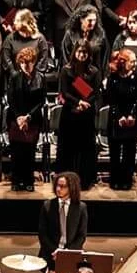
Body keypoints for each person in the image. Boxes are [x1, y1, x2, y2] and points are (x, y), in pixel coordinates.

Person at [56, 39, 102, 190]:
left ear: (89, 54)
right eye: (79, 52)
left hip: (86, 115)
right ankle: (67, 180)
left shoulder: (94, 72)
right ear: (74, 52)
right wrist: (78, 102)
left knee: (84, 148)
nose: (82, 55)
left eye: (85, 52)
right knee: (68, 148)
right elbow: (64, 92)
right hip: (70, 114)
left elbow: (95, 93)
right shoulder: (66, 70)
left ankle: (84, 180)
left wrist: (85, 104)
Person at [4, 45, 48, 192]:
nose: (25, 66)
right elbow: (11, 99)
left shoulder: (40, 78)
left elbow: (41, 101)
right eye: (22, 63)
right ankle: (16, 180)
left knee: (29, 151)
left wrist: (28, 117)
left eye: (28, 63)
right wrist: (19, 117)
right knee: (16, 151)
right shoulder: (14, 77)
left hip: (33, 119)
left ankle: (28, 180)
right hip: (15, 119)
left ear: (34, 62)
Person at [103, 46, 137, 189]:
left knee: (129, 151)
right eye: (131, 61)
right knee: (115, 151)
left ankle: (127, 179)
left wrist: (132, 115)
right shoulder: (113, 78)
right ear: (123, 62)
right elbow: (111, 99)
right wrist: (119, 116)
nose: (134, 64)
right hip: (116, 118)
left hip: (131, 119)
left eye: (135, 61)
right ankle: (115, 179)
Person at [37, 171, 89, 262]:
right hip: (50, 253)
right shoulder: (47, 206)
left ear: (72, 188)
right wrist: (55, 251)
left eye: (62, 186)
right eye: (57, 185)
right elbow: (43, 234)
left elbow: (81, 235)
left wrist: (67, 252)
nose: (58, 189)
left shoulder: (81, 208)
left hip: (72, 253)